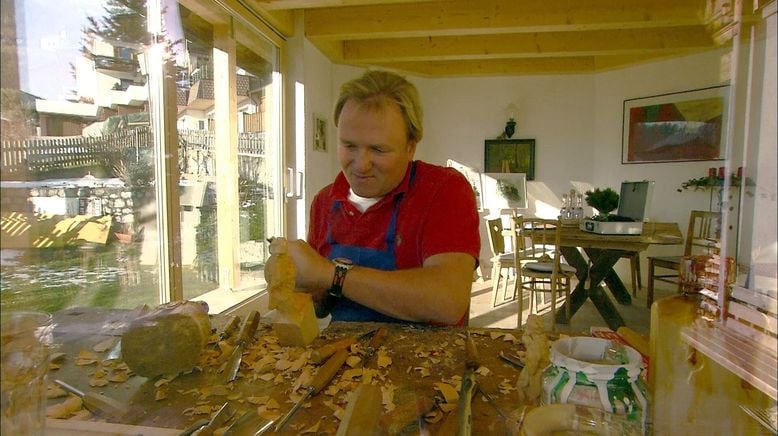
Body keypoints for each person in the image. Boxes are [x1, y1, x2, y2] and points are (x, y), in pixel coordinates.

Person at [272, 70, 480, 325]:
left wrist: (331, 273)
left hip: (427, 360)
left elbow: (447, 302)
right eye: (349, 146)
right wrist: (296, 279)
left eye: (378, 149)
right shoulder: (325, 202)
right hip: (345, 358)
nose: (360, 165)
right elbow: (321, 307)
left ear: (410, 146)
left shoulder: (444, 190)